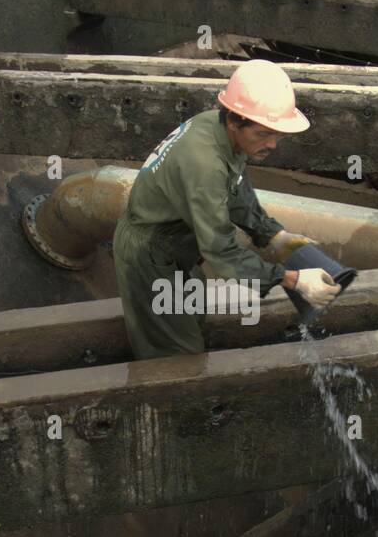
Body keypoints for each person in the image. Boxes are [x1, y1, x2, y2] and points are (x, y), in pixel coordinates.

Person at [113, 60, 340, 360]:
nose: (271, 144)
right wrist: (293, 280)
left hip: (176, 247)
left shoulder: (220, 129)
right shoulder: (203, 163)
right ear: (235, 120)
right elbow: (220, 252)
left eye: (277, 134)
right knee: (176, 356)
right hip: (148, 255)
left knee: (189, 320)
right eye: (262, 134)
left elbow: (236, 187)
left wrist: (272, 234)